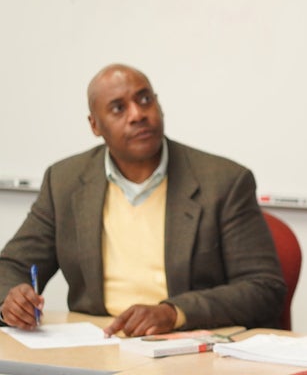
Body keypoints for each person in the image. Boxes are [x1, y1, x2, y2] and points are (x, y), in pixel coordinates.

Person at [0, 64, 286, 337]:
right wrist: (12, 299)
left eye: (145, 99)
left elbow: (263, 288)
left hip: (186, 347)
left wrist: (175, 313)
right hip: (96, 347)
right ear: (95, 125)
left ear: (159, 105)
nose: (137, 114)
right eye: (118, 108)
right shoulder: (65, 181)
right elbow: (12, 266)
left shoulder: (223, 181)